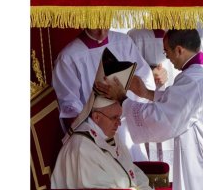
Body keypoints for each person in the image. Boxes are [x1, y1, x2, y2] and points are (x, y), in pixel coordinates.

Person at [47, 50, 193, 190]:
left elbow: (129, 169)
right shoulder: (81, 146)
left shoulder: (108, 134)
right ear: (96, 117)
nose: (119, 124)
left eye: (120, 118)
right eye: (114, 118)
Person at [96, 29, 203, 190]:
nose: (165, 56)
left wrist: (123, 99)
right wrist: (146, 93)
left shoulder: (195, 79)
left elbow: (165, 120)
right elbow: (174, 101)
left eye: (167, 51)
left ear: (179, 49)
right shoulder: (202, 69)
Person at [52, 28, 160, 161]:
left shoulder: (124, 42)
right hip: (96, 136)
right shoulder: (68, 57)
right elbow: (69, 106)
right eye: (95, 24)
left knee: (135, 175)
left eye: (105, 23)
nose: (102, 31)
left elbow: (145, 79)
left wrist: (126, 101)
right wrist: (99, 121)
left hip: (127, 129)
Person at [127, 29, 180, 181]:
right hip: (149, 109)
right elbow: (129, 71)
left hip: (178, 110)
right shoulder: (136, 36)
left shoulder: (190, 33)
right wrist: (150, 74)